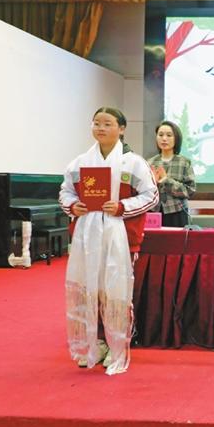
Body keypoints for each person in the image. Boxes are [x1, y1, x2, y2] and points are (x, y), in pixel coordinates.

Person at [59, 107, 159, 375]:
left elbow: (151, 196)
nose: (101, 128)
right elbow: (65, 193)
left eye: (107, 124)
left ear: (121, 128)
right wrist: (73, 206)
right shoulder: (80, 163)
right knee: (88, 289)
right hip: (86, 238)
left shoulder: (133, 162)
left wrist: (122, 207)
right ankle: (95, 343)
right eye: (97, 123)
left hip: (123, 238)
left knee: (115, 292)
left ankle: (117, 344)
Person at [147, 121, 196, 227]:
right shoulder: (149, 162)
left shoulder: (184, 162)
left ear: (176, 138)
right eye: (160, 135)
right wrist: (152, 183)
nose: (164, 139)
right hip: (153, 212)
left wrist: (166, 180)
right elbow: (143, 192)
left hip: (177, 213)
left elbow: (190, 191)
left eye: (169, 135)